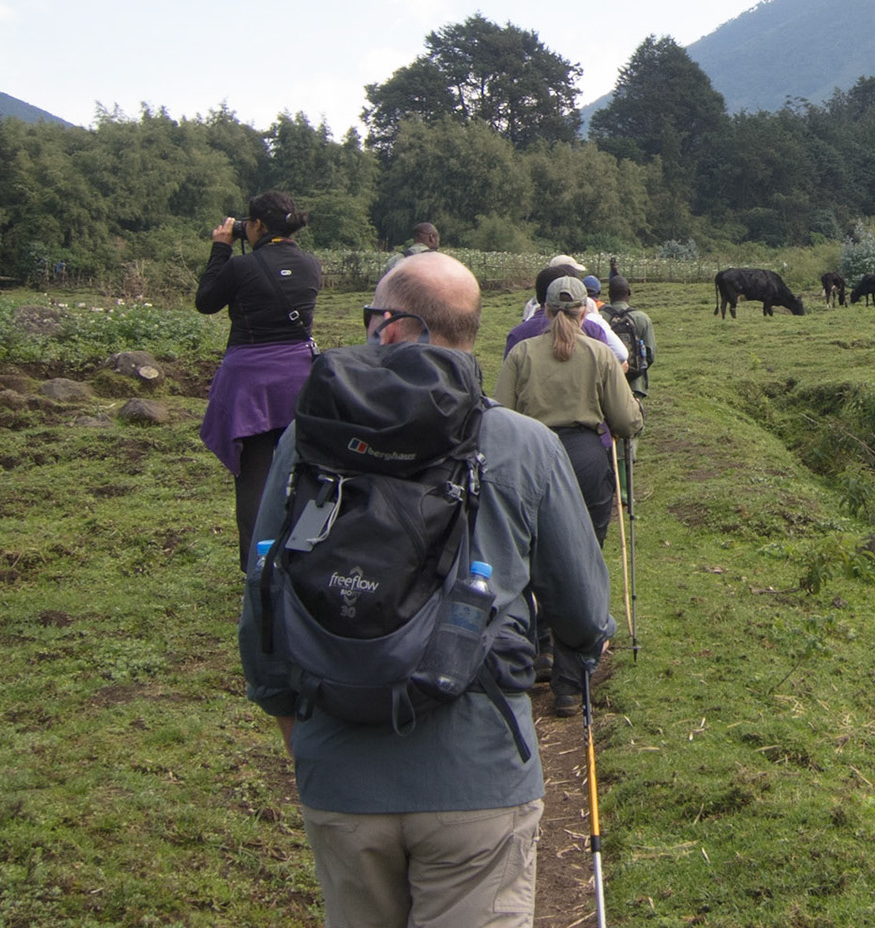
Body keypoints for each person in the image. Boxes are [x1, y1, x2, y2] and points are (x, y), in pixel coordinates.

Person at [239, 252, 612, 928]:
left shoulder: (308, 440)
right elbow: (582, 609)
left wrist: (303, 731)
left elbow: (262, 592)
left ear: (391, 326)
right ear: (469, 330)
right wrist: (574, 669)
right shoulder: (523, 444)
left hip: (340, 772)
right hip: (478, 774)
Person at [195, 190, 321, 569]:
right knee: (299, 469)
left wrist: (221, 248)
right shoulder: (311, 265)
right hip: (299, 379)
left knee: (254, 475)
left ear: (258, 226)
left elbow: (206, 302)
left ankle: (256, 564)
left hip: (250, 384)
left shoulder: (240, 268)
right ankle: (300, 556)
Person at [496, 276, 642, 550]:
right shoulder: (600, 354)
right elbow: (626, 421)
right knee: (586, 550)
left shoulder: (520, 353)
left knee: (538, 547)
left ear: (545, 310)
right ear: (585, 312)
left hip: (534, 458)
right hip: (586, 461)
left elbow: (502, 418)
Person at [601, 275, 654, 400]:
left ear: (609, 294)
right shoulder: (642, 318)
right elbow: (650, 354)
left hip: (606, 384)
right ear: (629, 293)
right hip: (635, 385)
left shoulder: (599, 318)